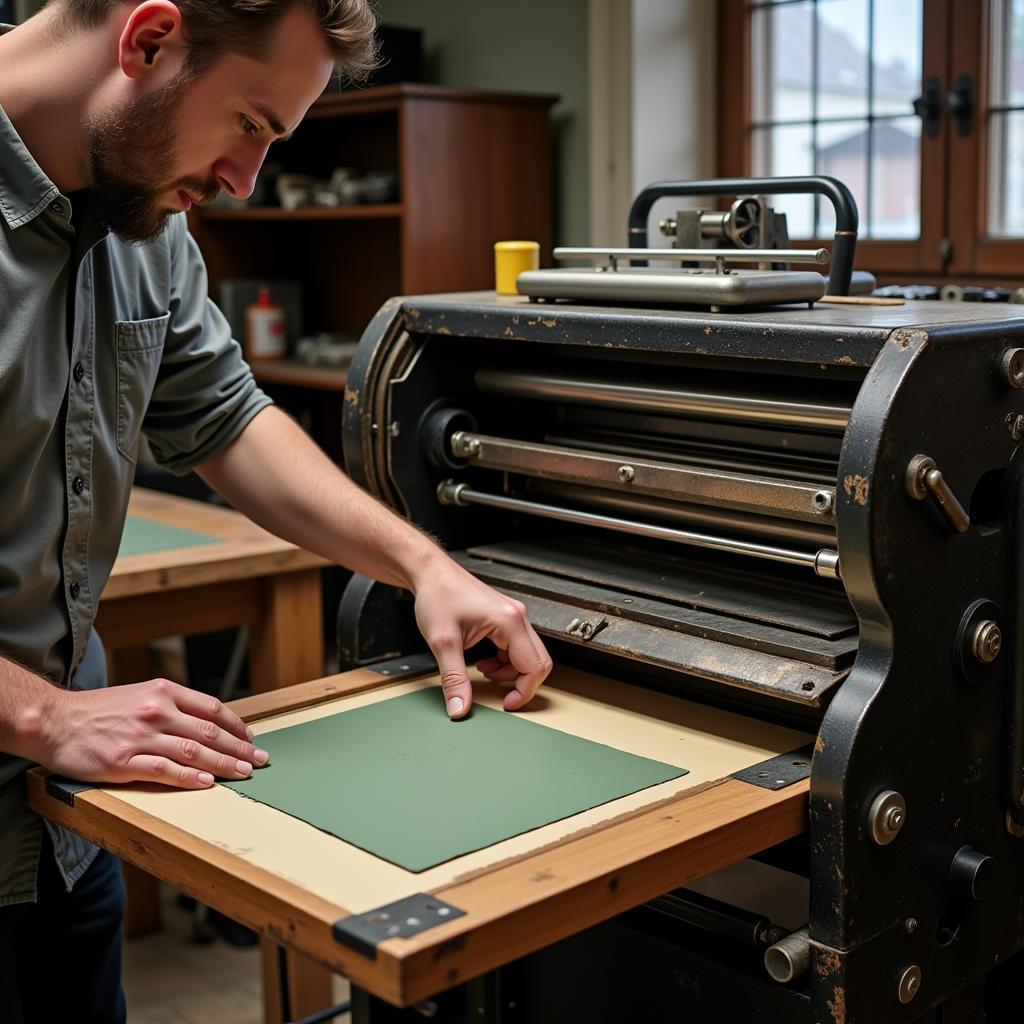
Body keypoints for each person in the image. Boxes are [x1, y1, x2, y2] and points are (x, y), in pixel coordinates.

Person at [0, 1, 553, 1019]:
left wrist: (421, 564)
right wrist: (39, 711)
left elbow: (225, 420)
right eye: (251, 124)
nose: (241, 180)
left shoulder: (138, 219)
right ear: (148, 39)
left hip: (65, 824)